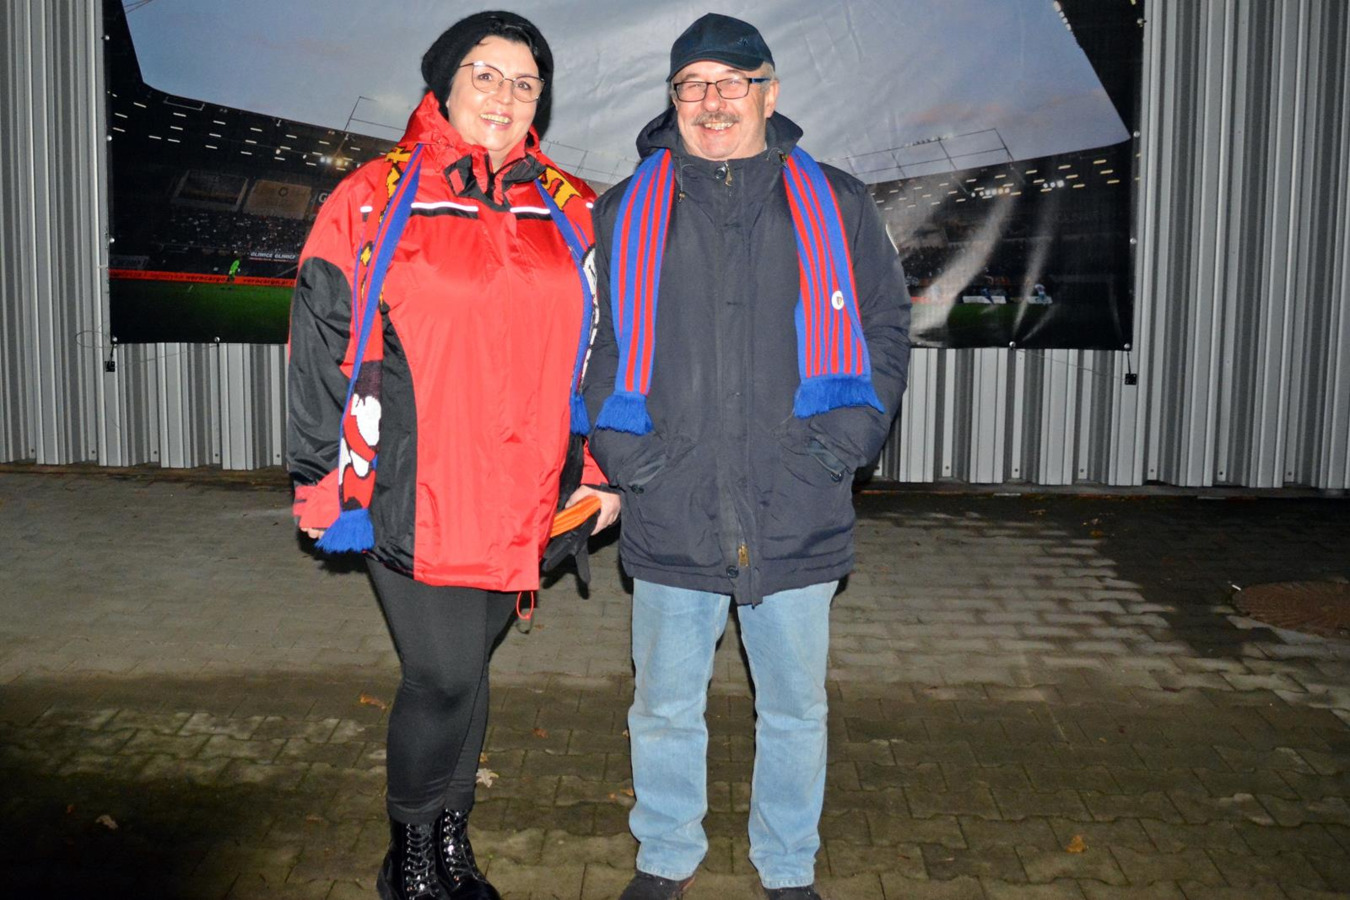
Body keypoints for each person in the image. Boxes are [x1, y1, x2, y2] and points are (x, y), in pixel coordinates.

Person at [285, 11, 618, 900]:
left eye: (525, 83)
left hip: (529, 492)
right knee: (440, 675)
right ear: (444, 82)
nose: (505, 96)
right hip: (412, 490)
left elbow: (611, 351)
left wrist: (599, 474)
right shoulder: (373, 195)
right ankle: (407, 856)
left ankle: (449, 843)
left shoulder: (573, 206)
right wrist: (319, 482)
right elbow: (319, 344)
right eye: (486, 74)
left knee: (468, 672)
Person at [582, 13, 911, 900]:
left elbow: (884, 329)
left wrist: (838, 448)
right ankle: (665, 856)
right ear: (673, 100)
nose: (713, 100)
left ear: (770, 93)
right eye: (693, 84)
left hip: (794, 499)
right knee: (663, 706)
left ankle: (788, 864)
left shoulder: (837, 202)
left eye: (733, 82)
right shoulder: (624, 210)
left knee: (796, 708)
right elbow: (598, 346)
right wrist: (631, 459)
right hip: (673, 501)